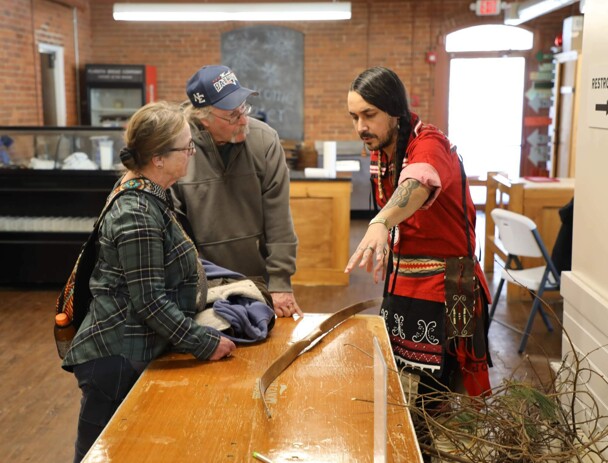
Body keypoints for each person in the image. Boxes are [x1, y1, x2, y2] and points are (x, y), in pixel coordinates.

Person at [62, 101, 236, 462]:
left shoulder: (149, 193)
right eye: (186, 147)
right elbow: (149, 301)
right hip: (115, 359)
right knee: (98, 455)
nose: (191, 153)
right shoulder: (136, 212)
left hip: (130, 352)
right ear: (157, 157)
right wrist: (204, 342)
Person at [344, 67, 492, 401]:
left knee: (457, 394)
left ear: (394, 111)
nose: (360, 127)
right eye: (354, 117)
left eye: (369, 115)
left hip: (454, 283)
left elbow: (418, 182)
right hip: (405, 283)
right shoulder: (379, 152)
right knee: (404, 389)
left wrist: (380, 222)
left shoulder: (429, 143)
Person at [171, 64, 302, 318]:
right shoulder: (177, 151)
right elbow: (175, 232)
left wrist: (280, 284)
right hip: (200, 283)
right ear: (203, 118)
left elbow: (279, 219)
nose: (244, 120)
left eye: (244, 108)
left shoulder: (264, 140)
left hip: (257, 282)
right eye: (232, 115)